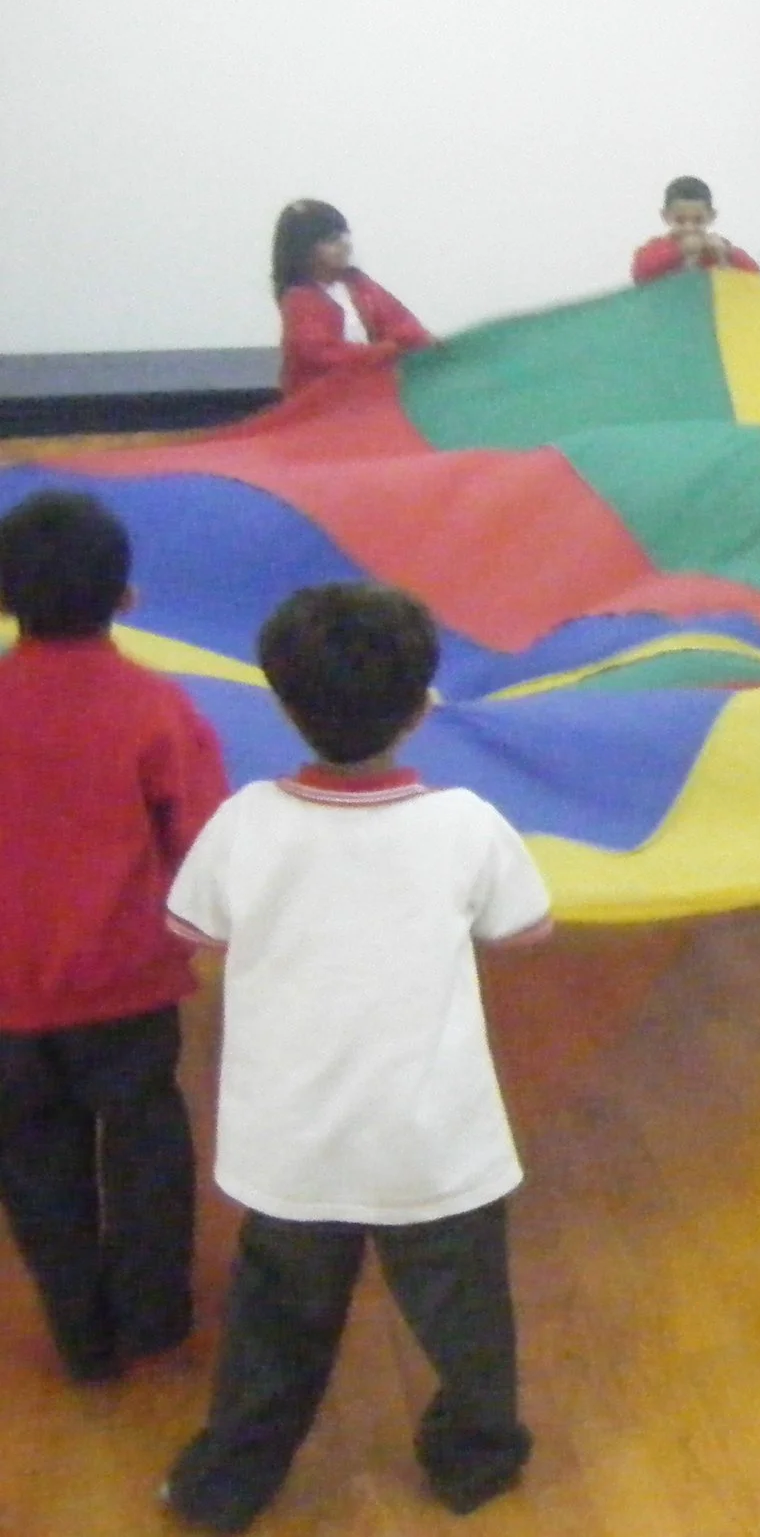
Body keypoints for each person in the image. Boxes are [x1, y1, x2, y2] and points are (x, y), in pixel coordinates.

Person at [163, 584, 552, 1533]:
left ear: (283, 702)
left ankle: (230, 1484)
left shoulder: (247, 821)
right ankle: (475, 1459)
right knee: (468, 1323)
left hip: (291, 1146)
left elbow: (190, 925)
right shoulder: (464, 822)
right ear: (422, 705)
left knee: (274, 1330)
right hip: (435, 1145)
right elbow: (527, 927)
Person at [0, 492, 228, 1383]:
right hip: (127, 984)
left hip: (8, 1002)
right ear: (126, 596)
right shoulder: (158, 708)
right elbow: (201, 842)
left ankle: (82, 1334)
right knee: (145, 1147)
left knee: (32, 1160)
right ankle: (154, 1317)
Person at [272, 201, 434, 398]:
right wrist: (387, 351)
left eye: (343, 235)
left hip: (369, 394)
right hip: (325, 406)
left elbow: (400, 323)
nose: (343, 244)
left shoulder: (359, 285)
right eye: (331, 240)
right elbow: (323, 353)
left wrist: (424, 344)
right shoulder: (299, 302)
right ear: (303, 251)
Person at [630, 175, 760, 284]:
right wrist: (681, 251)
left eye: (698, 220)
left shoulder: (717, 248)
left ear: (711, 216)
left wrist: (726, 255)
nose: (689, 228)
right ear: (665, 216)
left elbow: (756, 280)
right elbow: (640, 272)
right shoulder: (655, 248)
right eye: (680, 220)